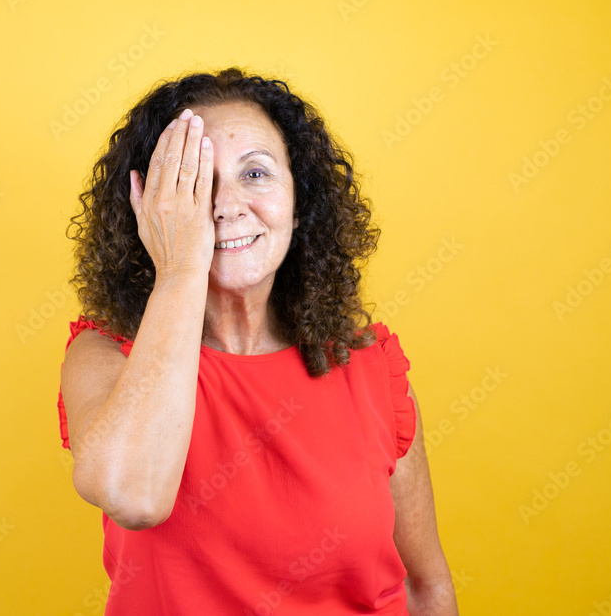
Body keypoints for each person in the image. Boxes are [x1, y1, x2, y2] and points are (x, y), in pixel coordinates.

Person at [57, 67, 458, 615]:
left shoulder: (368, 365)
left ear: (299, 200)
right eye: (194, 181)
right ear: (151, 210)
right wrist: (180, 268)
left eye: (255, 173)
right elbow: (133, 496)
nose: (226, 205)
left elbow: (424, 587)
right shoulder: (106, 357)